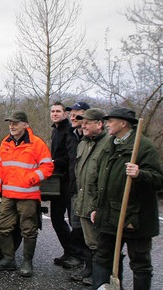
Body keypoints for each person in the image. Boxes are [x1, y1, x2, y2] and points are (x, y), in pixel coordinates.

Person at [91, 107, 162, 290]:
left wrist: (140, 174)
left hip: (134, 216)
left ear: (123, 123)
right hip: (107, 213)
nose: (107, 124)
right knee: (102, 256)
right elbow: (99, 179)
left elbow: (158, 180)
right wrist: (95, 207)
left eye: (111, 121)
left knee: (140, 262)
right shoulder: (109, 144)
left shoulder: (143, 146)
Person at [0, 111, 54, 277]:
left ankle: (27, 263)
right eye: (10, 123)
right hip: (8, 194)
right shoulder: (6, 142)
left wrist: (31, 178)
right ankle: (8, 260)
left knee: (28, 230)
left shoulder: (36, 143)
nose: (12, 126)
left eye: (16, 123)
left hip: (28, 196)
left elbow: (47, 167)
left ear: (25, 125)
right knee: (2, 227)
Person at [72, 108, 109, 286]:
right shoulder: (83, 144)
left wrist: (98, 205)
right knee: (88, 241)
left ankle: (101, 278)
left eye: (87, 122)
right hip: (83, 200)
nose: (83, 125)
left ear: (99, 124)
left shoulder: (109, 145)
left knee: (100, 244)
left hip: (97, 204)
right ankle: (89, 270)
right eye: (82, 122)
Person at [65, 101, 94, 283]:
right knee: (78, 228)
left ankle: (94, 271)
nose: (74, 118)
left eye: (78, 115)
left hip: (90, 193)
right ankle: (86, 266)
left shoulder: (91, 139)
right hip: (76, 189)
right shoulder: (74, 135)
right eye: (72, 114)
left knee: (91, 233)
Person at [49, 101, 80, 268]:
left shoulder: (69, 131)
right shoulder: (55, 130)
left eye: (58, 111)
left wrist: (52, 162)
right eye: (53, 111)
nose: (55, 114)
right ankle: (69, 251)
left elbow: (71, 158)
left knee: (74, 221)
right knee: (56, 218)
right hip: (58, 181)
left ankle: (77, 256)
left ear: (65, 114)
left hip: (69, 181)